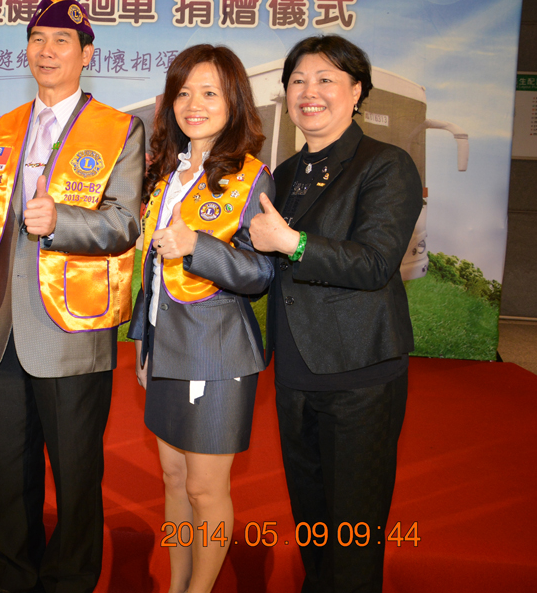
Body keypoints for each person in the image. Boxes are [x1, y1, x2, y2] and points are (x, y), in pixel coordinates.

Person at [0, 0, 144, 593]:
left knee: (75, 472)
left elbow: (124, 222)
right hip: (3, 328)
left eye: (62, 42)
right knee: (6, 469)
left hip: (72, 328)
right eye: (37, 40)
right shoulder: (4, 126)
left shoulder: (118, 128)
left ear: (86, 54)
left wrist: (60, 221)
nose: (47, 51)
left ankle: (69, 582)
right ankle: (13, 578)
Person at [248, 35, 423, 593]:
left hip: (359, 375)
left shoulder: (386, 165)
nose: (310, 92)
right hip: (296, 373)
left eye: (326, 79)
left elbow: (375, 263)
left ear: (357, 92)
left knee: (353, 531)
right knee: (313, 523)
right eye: (298, 80)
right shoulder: (283, 172)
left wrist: (292, 242)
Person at [127, 44, 274, 593]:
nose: (194, 104)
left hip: (217, 352)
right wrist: (142, 345)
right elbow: (152, 272)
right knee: (172, 480)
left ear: (234, 101)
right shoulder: (168, 175)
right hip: (163, 347)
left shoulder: (251, 177)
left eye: (210, 93)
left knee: (205, 490)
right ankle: (177, 585)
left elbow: (261, 273)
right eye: (184, 92)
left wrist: (198, 247)